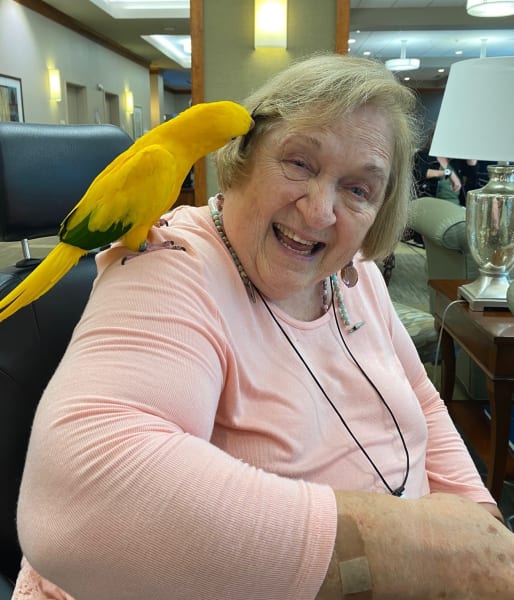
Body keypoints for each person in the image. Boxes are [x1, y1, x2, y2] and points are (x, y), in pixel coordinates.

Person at [12, 53, 514, 600]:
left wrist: (480, 527)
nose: (320, 211)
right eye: (299, 163)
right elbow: (81, 499)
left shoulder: (354, 272)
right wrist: (416, 552)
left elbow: (421, 398)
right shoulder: (169, 264)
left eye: (358, 189)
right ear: (243, 158)